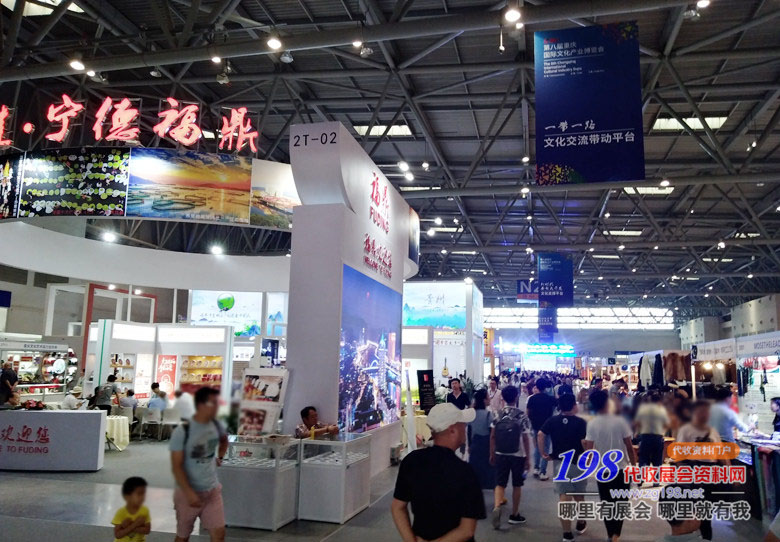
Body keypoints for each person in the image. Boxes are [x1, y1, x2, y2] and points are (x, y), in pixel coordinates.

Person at [391, 402, 485, 542]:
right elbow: (467, 530)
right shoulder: (465, 472)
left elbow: (397, 507)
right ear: (452, 430)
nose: (465, 427)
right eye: (462, 424)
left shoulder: (411, 461)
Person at [170, 387, 228, 542]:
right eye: (213, 403)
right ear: (201, 404)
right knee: (183, 537)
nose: (217, 407)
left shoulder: (217, 426)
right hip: (187, 494)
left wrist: (220, 457)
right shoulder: (183, 431)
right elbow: (177, 466)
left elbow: (224, 441)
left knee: (219, 534)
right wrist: (189, 493)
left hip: (212, 492)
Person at [583, 390, 637, 542]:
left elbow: (589, 451)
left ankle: (609, 534)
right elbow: (629, 447)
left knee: (606, 503)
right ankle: (616, 535)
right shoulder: (620, 421)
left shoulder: (592, 424)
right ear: (608, 403)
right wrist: (634, 467)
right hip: (621, 469)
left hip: (602, 471)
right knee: (620, 503)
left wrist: (587, 467)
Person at [539, 393, 588, 541]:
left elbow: (540, 434)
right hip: (578, 462)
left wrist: (543, 453)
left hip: (560, 463)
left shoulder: (552, 420)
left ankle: (567, 533)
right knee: (579, 495)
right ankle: (581, 522)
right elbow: (584, 442)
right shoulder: (581, 422)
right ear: (574, 406)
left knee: (564, 496)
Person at [676, 400, 726, 541]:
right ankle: (698, 533)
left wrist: (729, 471)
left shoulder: (712, 431)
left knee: (706, 506)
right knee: (697, 505)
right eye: (702, 411)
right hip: (694, 470)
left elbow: (721, 453)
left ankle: (705, 535)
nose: (705, 414)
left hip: (710, 472)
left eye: (707, 411)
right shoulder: (686, 430)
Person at [489, 385, 531, 529]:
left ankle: (497, 506)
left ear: (503, 398)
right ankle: (514, 514)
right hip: (517, 454)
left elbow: (492, 436)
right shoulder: (521, 415)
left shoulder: (497, 414)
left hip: (500, 453)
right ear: (516, 397)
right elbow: (525, 438)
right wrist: (528, 458)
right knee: (517, 484)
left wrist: (492, 453)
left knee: (500, 483)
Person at [526, 378, 556, 480]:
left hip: (535, 425)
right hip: (547, 426)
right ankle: (543, 472)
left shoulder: (532, 399)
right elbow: (557, 406)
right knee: (546, 448)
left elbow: (528, 412)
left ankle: (536, 468)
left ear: (537, 387)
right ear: (545, 387)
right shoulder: (550, 399)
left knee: (537, 447)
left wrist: (532, 421)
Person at [635, 392, 670, 468]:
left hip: (645, 437)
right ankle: (656, 475)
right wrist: (663, 432)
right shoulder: (662, 410)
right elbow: (667, 424)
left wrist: (637, 432)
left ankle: (642, 474)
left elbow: (637, 423)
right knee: (657, 462)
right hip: (657, 437)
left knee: (644, 460)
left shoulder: (643, 409)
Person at [469, 389, 495, 490]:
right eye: (488, 397)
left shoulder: (472, 414)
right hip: (486, 444)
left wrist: (469, 445)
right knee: (487, 466)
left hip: (475, 443)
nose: (489, 399)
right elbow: (492, 434)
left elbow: (469, 430)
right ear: (484, 400)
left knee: (475, 466)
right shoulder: (489, 415)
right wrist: (492, 451)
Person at [112, 476, 151, 542]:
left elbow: (147, 530)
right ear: (127, 496)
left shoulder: (145, 511)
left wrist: (127, 526)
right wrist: (135, 524)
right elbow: (118, 535)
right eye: (139, 494)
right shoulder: (121, 512)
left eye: (143, 493)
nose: (142, 497)